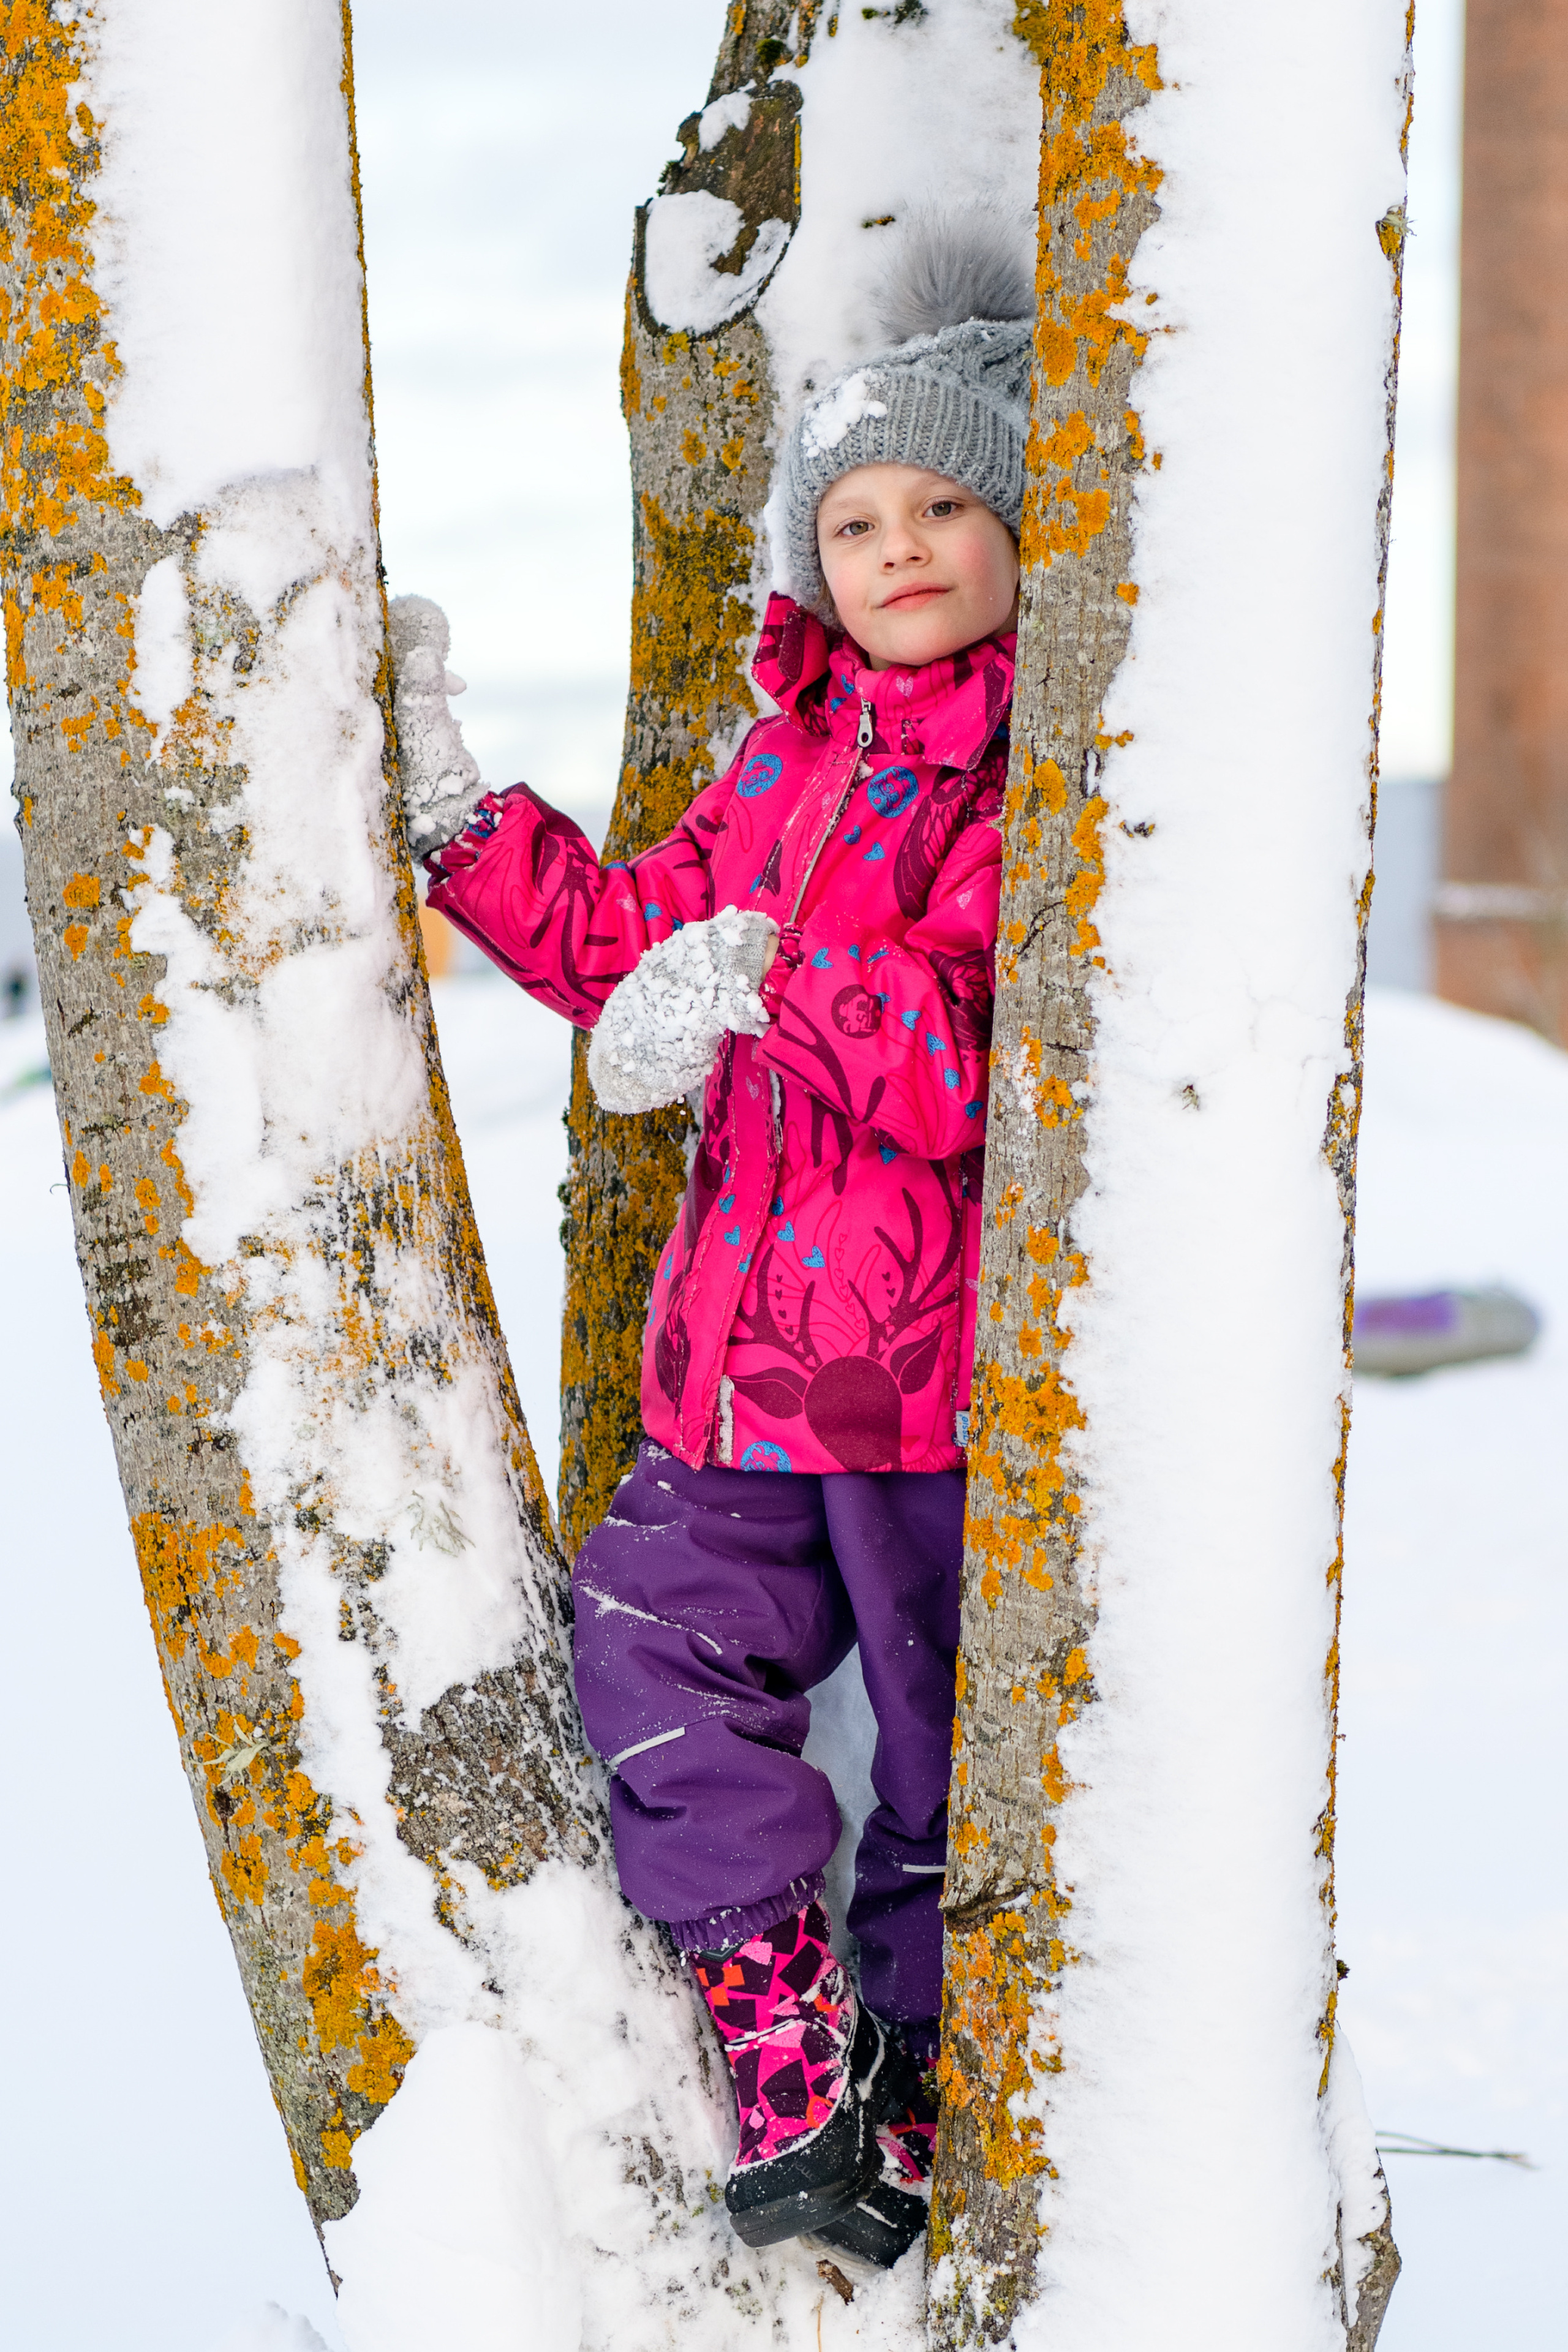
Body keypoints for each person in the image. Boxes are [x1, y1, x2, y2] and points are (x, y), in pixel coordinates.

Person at [398, 220, 1033, 2269]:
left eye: (947, 503)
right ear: (811, 559)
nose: (904, 546)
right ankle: (787, 2031)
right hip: (733, 1384)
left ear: (1020, 531)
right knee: (647, 1661)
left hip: (925, 1387)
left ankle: (920, 2095)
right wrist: (456, 818)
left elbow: (964, 1067)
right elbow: (626, 958)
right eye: (858, 518)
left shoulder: (1036, 778)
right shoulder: (781, 757)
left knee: (951, 1774)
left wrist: (781, 977)